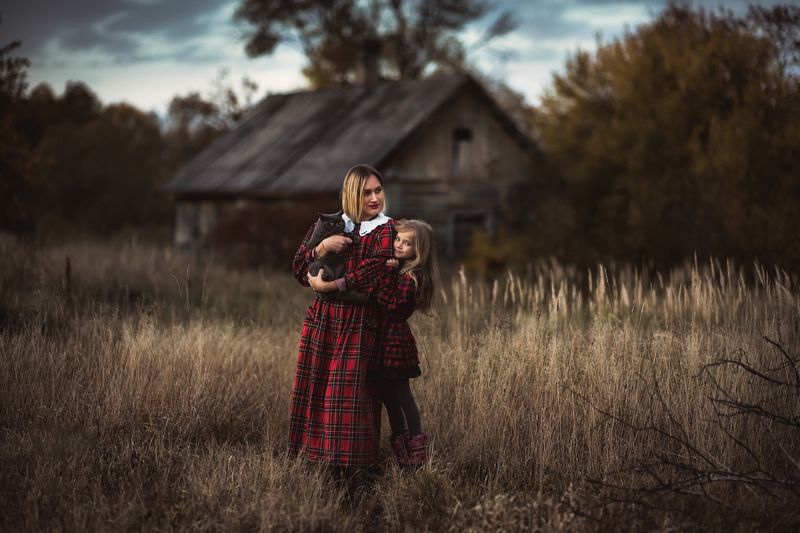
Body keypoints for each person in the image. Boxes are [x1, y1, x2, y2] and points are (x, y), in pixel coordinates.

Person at [290, 164, 395, 470]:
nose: (375, 198)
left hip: (361, 323)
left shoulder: (387, 229)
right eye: (366, 193)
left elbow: (371, 278)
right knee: (317, 389)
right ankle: (314, 463)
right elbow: (298, 269)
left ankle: (353, 472)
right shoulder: (330, 225)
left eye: (378, 190)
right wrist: (321, 247)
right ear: (351, 195)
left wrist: (326, 286)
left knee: (348, 395)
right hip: (323, 321)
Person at [376, 219, 438, 468]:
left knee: (402, 395)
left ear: (419, 249)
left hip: (395, 342)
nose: (399, 245)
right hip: (385, 340)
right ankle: (400, 449)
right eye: (398, 239)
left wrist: (387, 273)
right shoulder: (403, 270)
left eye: (407, 243)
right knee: (388, 397)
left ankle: (417, 449)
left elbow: (389, 303)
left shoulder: (412, 276)